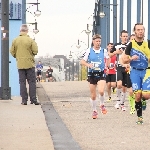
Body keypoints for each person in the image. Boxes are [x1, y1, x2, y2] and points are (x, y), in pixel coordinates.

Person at [123, 23, 150, 124]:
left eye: (142, 29)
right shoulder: (131, 45)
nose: (140, 31)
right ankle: (140, 117)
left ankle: (144, 99)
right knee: (137, 95)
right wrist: (131, 58)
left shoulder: (148, 43)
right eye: (138, 30)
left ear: (144, 31)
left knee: (146, 95)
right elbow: (124, 60)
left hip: (147, 70)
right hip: (134, 71)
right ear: (134, 32)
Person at [80, 34, 110, 119]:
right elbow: (82, 61)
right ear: (93, 42)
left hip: (101, 74)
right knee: (93, 95)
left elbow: (108, 58)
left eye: (99, 41)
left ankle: (102, 104)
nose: (98, 43)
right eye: (96, 41)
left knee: (101, 91)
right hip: (92, 74)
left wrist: (107, 67)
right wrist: (88, 65)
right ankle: (94, 110)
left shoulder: (103, 51)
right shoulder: (89, 51)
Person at [10, 24, 40, 105]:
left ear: (20, 31)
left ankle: (24, 100)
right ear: (27, 31)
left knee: (22, 82)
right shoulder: (30, 40)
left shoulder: (15, 40)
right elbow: (35, 51)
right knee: (32, 82)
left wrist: (18, 56)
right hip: (30, 64)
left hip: (20, 64)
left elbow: (12, 51)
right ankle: (33, 99)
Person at [109, 30, 129, 111]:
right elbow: (109, 54)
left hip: (127, 67)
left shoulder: (130, 45)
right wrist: (115, 52)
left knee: (125, 87)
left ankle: (122, 103)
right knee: (119, 84)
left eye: (126, 36)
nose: (125, 38)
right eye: (123, 36)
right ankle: (118, 101)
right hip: (119, 67)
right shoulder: (117, 45)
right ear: (120, 37)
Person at [119, 34, 136, 114]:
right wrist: (124, 64)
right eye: (131, 39)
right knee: (131, 91)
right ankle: (132, 106)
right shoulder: (128, 49)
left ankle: (141, 100)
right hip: (130, 71)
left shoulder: (141, 48)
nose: (133, 41)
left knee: (140, 92)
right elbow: (121, 60)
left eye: (134, 39)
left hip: (140, 71)